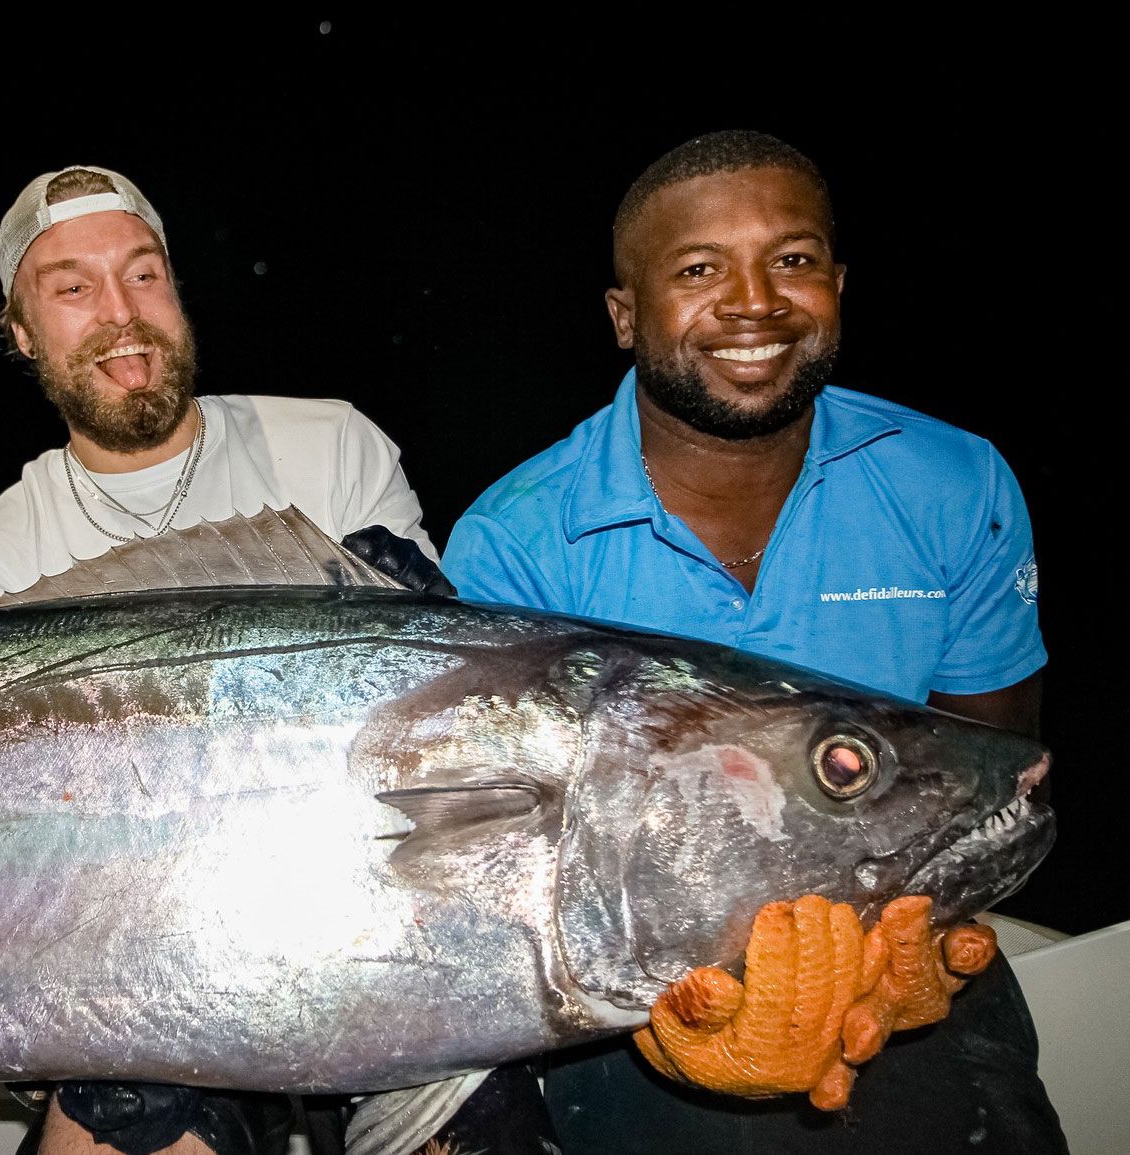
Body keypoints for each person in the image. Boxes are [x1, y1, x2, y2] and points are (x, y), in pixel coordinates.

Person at [439, 129, 1064, 1153]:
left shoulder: (953, 483)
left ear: (837, 282)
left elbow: (984, 782)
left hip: (889, 958)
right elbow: (504, 871)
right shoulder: (516, 538)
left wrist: (912, 944)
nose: (753, 303)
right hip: (634, 989)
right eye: (697, 270)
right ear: (622, 315)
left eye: (791, 260)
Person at [0, 164, 477, 1155]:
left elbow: (430, 726)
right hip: (139, 958)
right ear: (19, 334)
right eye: (71, 288)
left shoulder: (328, 445)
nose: (120, 314)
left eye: (142, 275)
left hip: (380, 927)